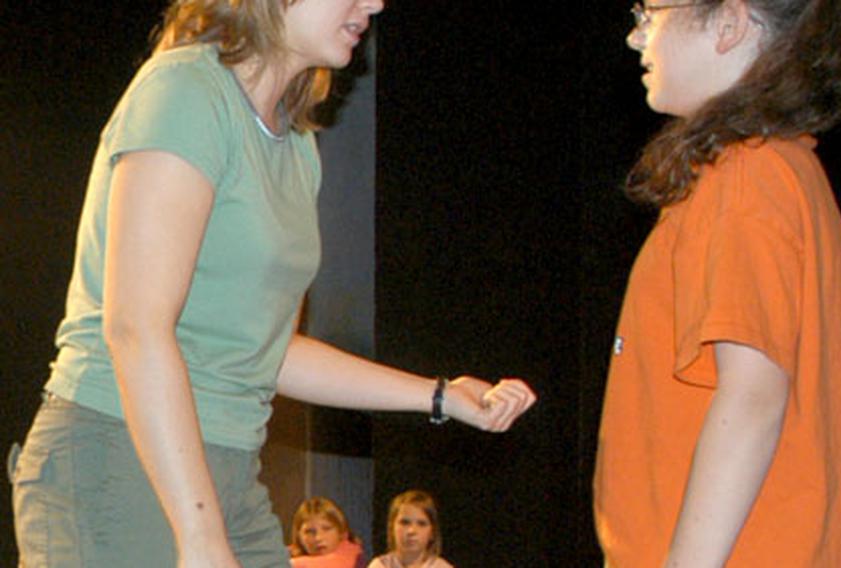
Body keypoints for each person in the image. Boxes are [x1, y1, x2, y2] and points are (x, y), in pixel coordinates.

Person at [8, 1, 537, 567]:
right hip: (119, 458)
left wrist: (438, 395)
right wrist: (200, 535)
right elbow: (136, 328)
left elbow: (266, 348)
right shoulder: (186, 92)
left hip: (228, 471)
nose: (376, 3)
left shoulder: (296, 143)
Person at [593, 1, 841, 567]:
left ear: (729, 24)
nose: (636, 38)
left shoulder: (747, 174)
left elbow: (753, 395)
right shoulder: (784, 172)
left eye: (650, 13)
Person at [367, 490, 453, 568]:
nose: (411, 531)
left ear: (432, 532)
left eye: (421, 524)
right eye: (405, 523)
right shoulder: (379, 565)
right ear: (391, 527)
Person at [288, 497, 365, 568]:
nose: (318, 538)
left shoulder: (352, 554)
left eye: (327, 529)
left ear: (341, 532)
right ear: (299, 536)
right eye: (309, 531)